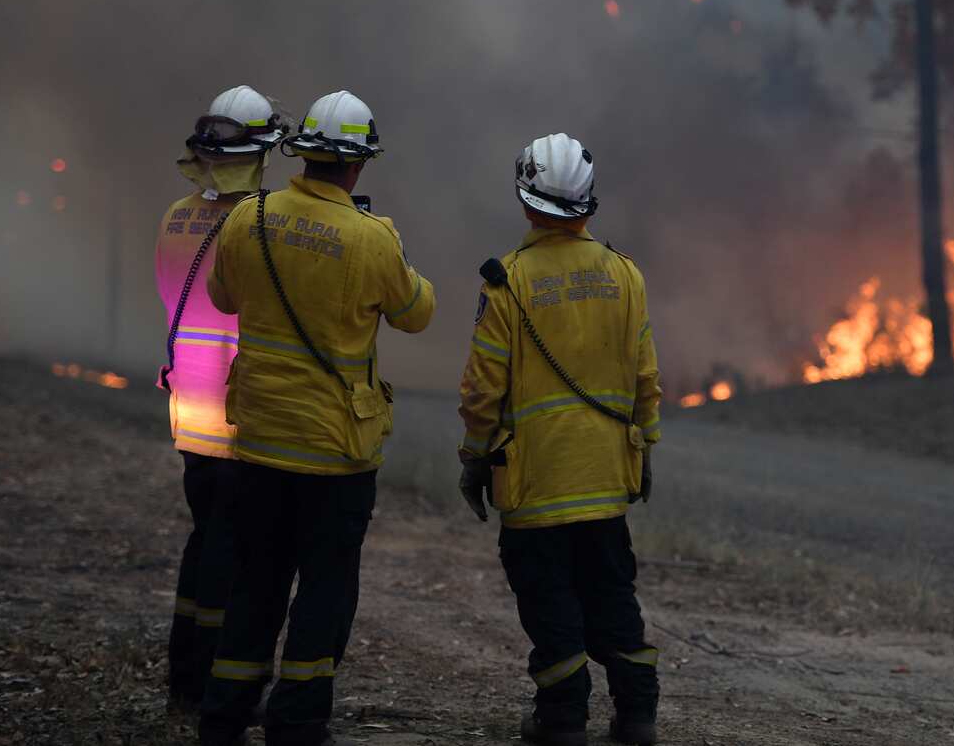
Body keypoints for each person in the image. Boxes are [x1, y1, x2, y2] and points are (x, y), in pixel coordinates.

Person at [198, 90, 435, 746]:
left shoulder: (250, 217)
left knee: (253, 585)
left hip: (260, 442)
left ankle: (222, 717)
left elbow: (221, 295)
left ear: (303, 153)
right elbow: (419, 312)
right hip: (335, 455)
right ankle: (297, 721)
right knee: (324, 592)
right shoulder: (371, 239)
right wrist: (394, 247)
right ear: (358, 167)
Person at [457, 133, 663, 746]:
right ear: (587, 203)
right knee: (612, 595)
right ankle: (638, 717)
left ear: (526, 202)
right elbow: (645, 379)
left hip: (535, 483)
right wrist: (644, 447)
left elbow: (482, 391)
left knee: (550, 604)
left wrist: (474, 460)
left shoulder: (507, 282)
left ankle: (562, 720)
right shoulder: (626, 275)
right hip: (605, 481)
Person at [156, 84, 285, 712]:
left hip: (189, 413)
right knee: (237, 556)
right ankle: (217, 684)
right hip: (240, 417)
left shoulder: (176, 216)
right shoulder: (258, 224)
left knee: (203, 538)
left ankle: (184, 675)